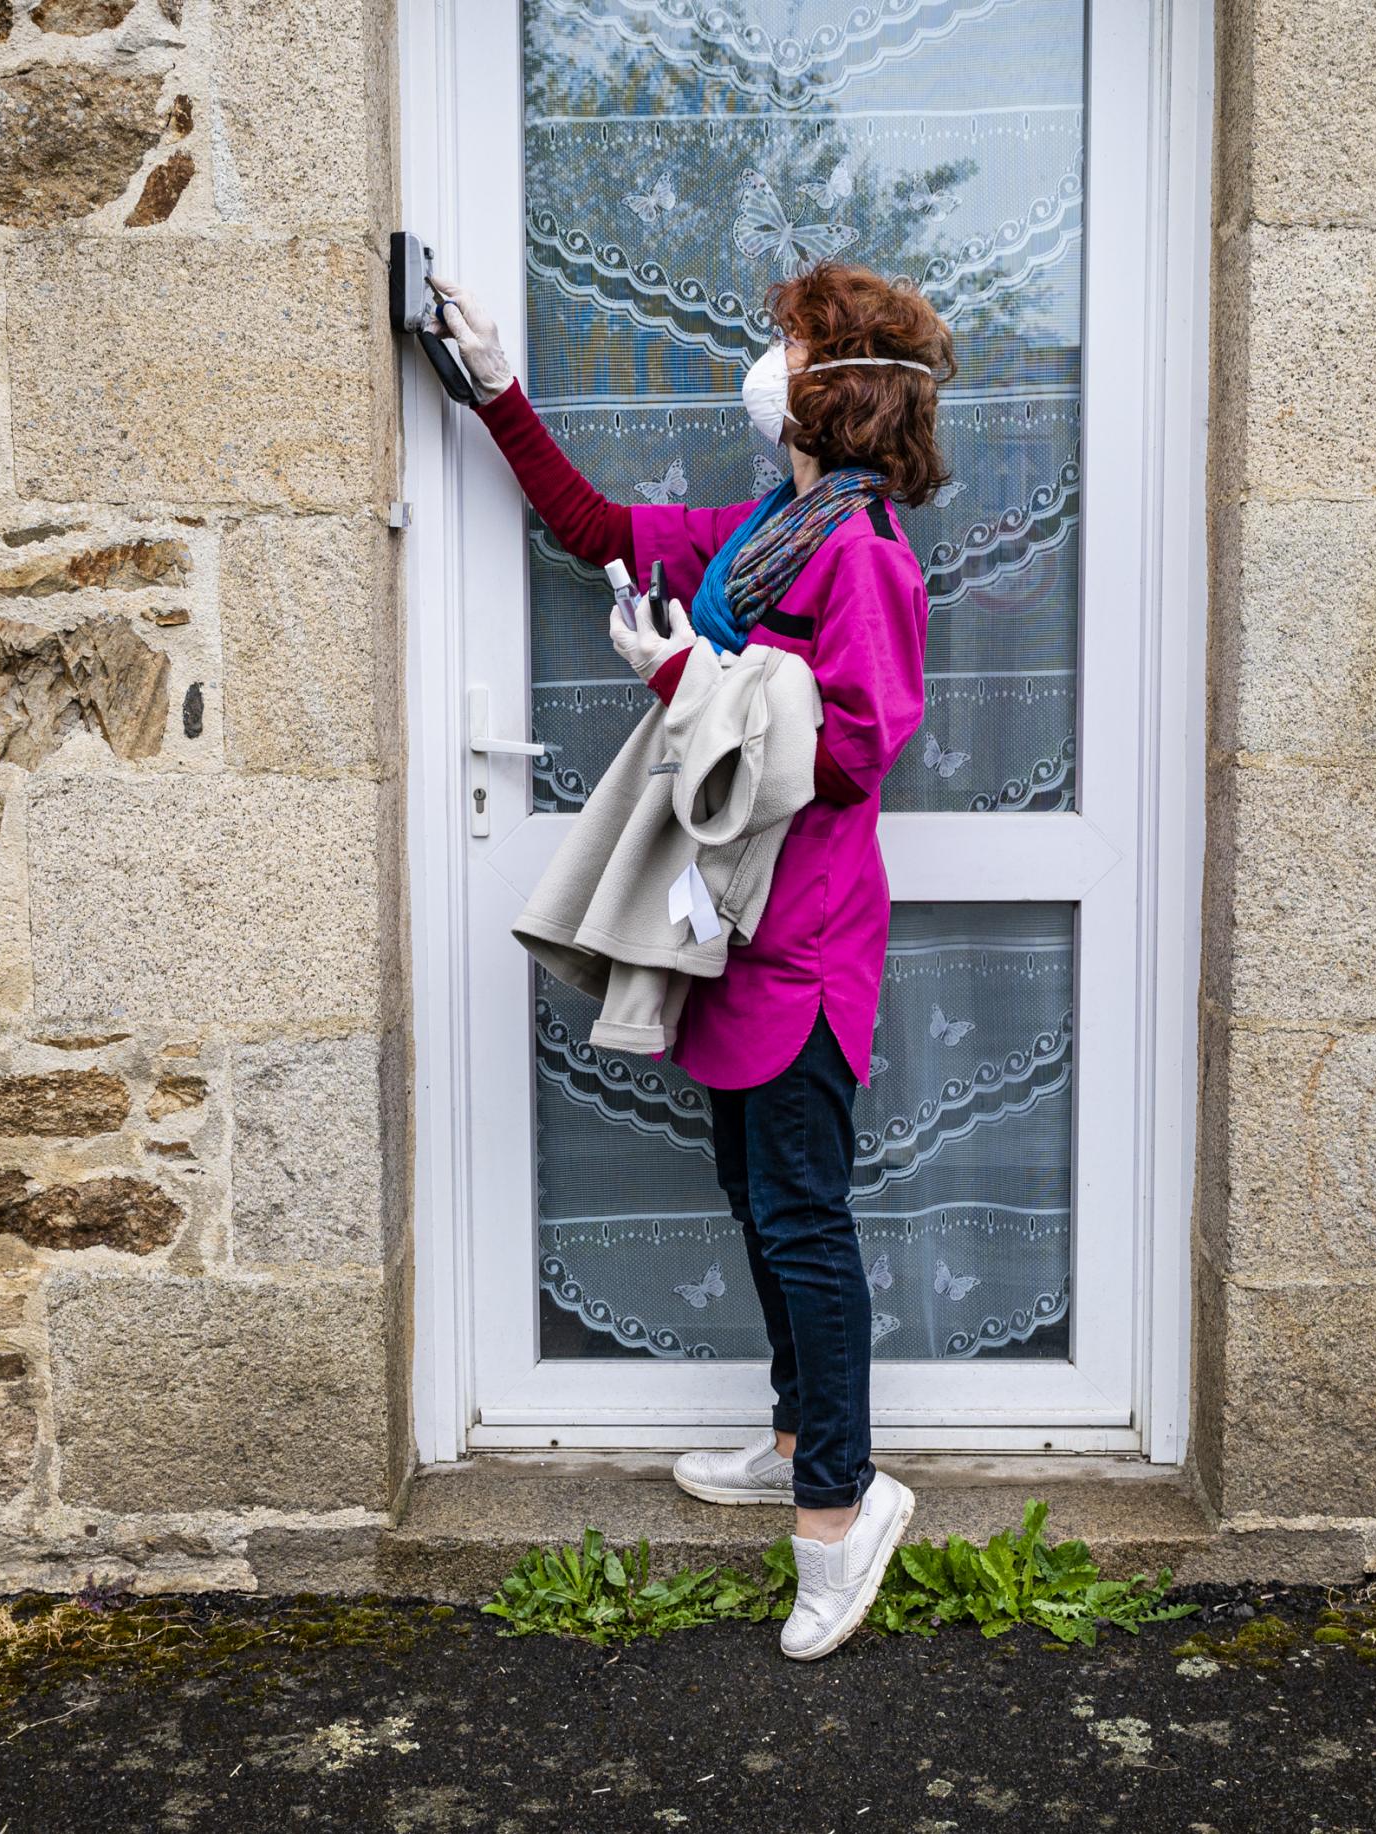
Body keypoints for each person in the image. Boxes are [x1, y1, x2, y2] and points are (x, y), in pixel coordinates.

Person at [433, 262, 956, 1661]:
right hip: (729, 931)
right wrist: (494, 386)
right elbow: (598, 525)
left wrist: (688, 685)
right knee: (754, 1186)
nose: (760, 359)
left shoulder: (864, 553)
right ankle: (799, 1432)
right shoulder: (772, 533)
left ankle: (841, 1512)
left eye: (781, 342)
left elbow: (855, 748)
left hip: (804, 946)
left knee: (802, 1216)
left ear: (834, 384)